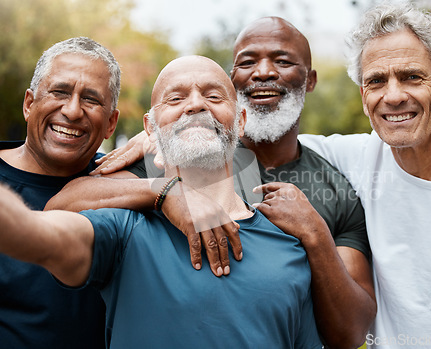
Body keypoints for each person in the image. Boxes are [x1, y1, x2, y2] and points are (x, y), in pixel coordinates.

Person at [45, 17, 377, 348]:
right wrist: (168, 188)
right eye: (247, 62)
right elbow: (69, 202)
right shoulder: (179, 152)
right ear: (234, 79)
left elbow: (351, 333)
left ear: (310, 80)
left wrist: (316, 235)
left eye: (283, 61)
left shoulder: (335, 188)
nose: (263, 72)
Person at [0, 55, 323, 348]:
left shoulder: (289, 247)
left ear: (240, 121)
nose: (196, 105)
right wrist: (167, 191)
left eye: (213, 96)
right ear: (150, 131)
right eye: (176, 98)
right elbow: (37, 230)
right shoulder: (123, 227)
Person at [296, 3, 431, 348]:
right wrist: (170, 190)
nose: (393, 96)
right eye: (376, 81)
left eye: (411, 77)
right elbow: (243, 143)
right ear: (364, 98)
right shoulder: (354, 158)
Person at [0, 37, 120, 348]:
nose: (72, 110)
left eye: (91, 99)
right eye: (60, 92)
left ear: (111, 124)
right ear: (29, 104)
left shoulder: (126, 183)